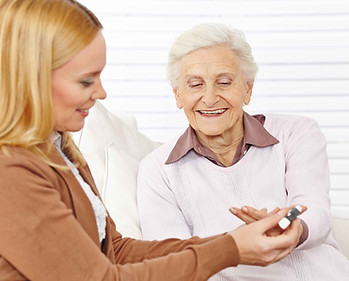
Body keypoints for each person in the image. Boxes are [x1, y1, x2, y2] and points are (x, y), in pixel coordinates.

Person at [0, 1, 303, 280]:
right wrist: (231, 250)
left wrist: (231, 242)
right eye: (86, 80)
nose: (101, 92)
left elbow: (114, 251)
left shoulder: (59, 146)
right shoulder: (10, 172)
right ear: (31, 79)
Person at [137, 23, 349, 280]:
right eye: (195, 85)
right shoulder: (158, 170)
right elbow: (176, 260)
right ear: (177, 95)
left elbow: (313, 207)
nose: (210, 97)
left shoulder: (296, 133)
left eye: (224, 82)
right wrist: (233, 247)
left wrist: (293, 227)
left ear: (248, 88)